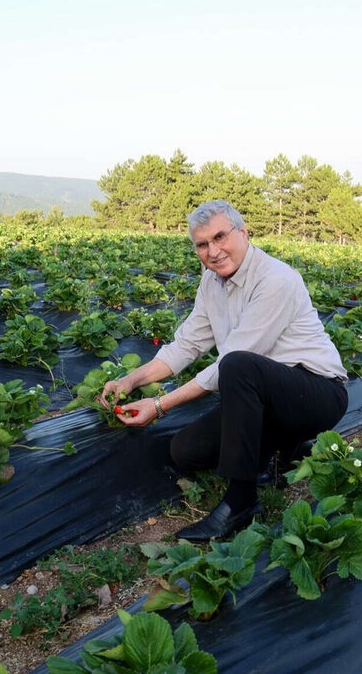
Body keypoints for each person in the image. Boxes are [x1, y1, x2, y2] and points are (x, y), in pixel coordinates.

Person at [100, 200, 348, 541]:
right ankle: (284, 450)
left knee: (236, 365)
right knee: (185, 451)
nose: (213, 251)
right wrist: (132, 379)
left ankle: (241, 501)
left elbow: (232, 362)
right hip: (268, 398)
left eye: (220, 237)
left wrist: (159, 406)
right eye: (202, 244)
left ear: (243, 233)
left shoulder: (275, 279)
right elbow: (187, 344)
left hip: (317, 392)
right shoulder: (210, 283)